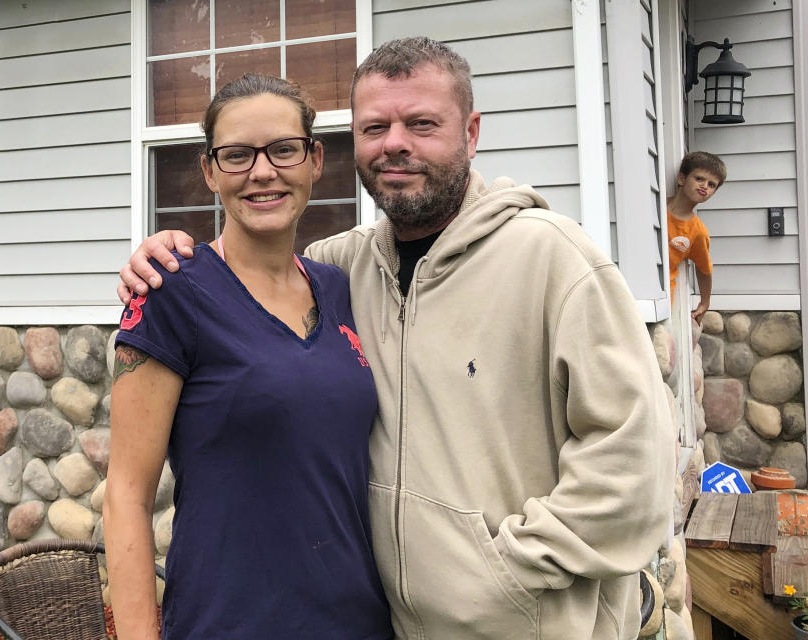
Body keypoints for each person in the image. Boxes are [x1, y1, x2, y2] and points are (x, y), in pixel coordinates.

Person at [119, 37, 675, 640]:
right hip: (363, 623)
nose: (395, 144)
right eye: (374, 127)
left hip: (522, 623)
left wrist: (503, 574)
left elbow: (633, 462)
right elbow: (244, 271)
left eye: (422, 123)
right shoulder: (343, 270)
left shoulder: (552, 260)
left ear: (472, 131)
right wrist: (163, 253)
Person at [104, 74, 393, 640]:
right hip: (229, 622)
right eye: (236, 155)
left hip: (357, 622)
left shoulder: (341, 289)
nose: (263, 172)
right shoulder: (172, 293)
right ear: (210, 171)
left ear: (314, 160)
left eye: (284, 149)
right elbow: (126, 495)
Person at [667, 151, 726, 321]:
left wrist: (705, 302)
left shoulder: (698, 231)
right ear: (682, 179)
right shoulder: (656, 206)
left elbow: (704, 269)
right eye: (699, 179)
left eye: (712, 184)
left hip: (664, 297)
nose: (705, 186)